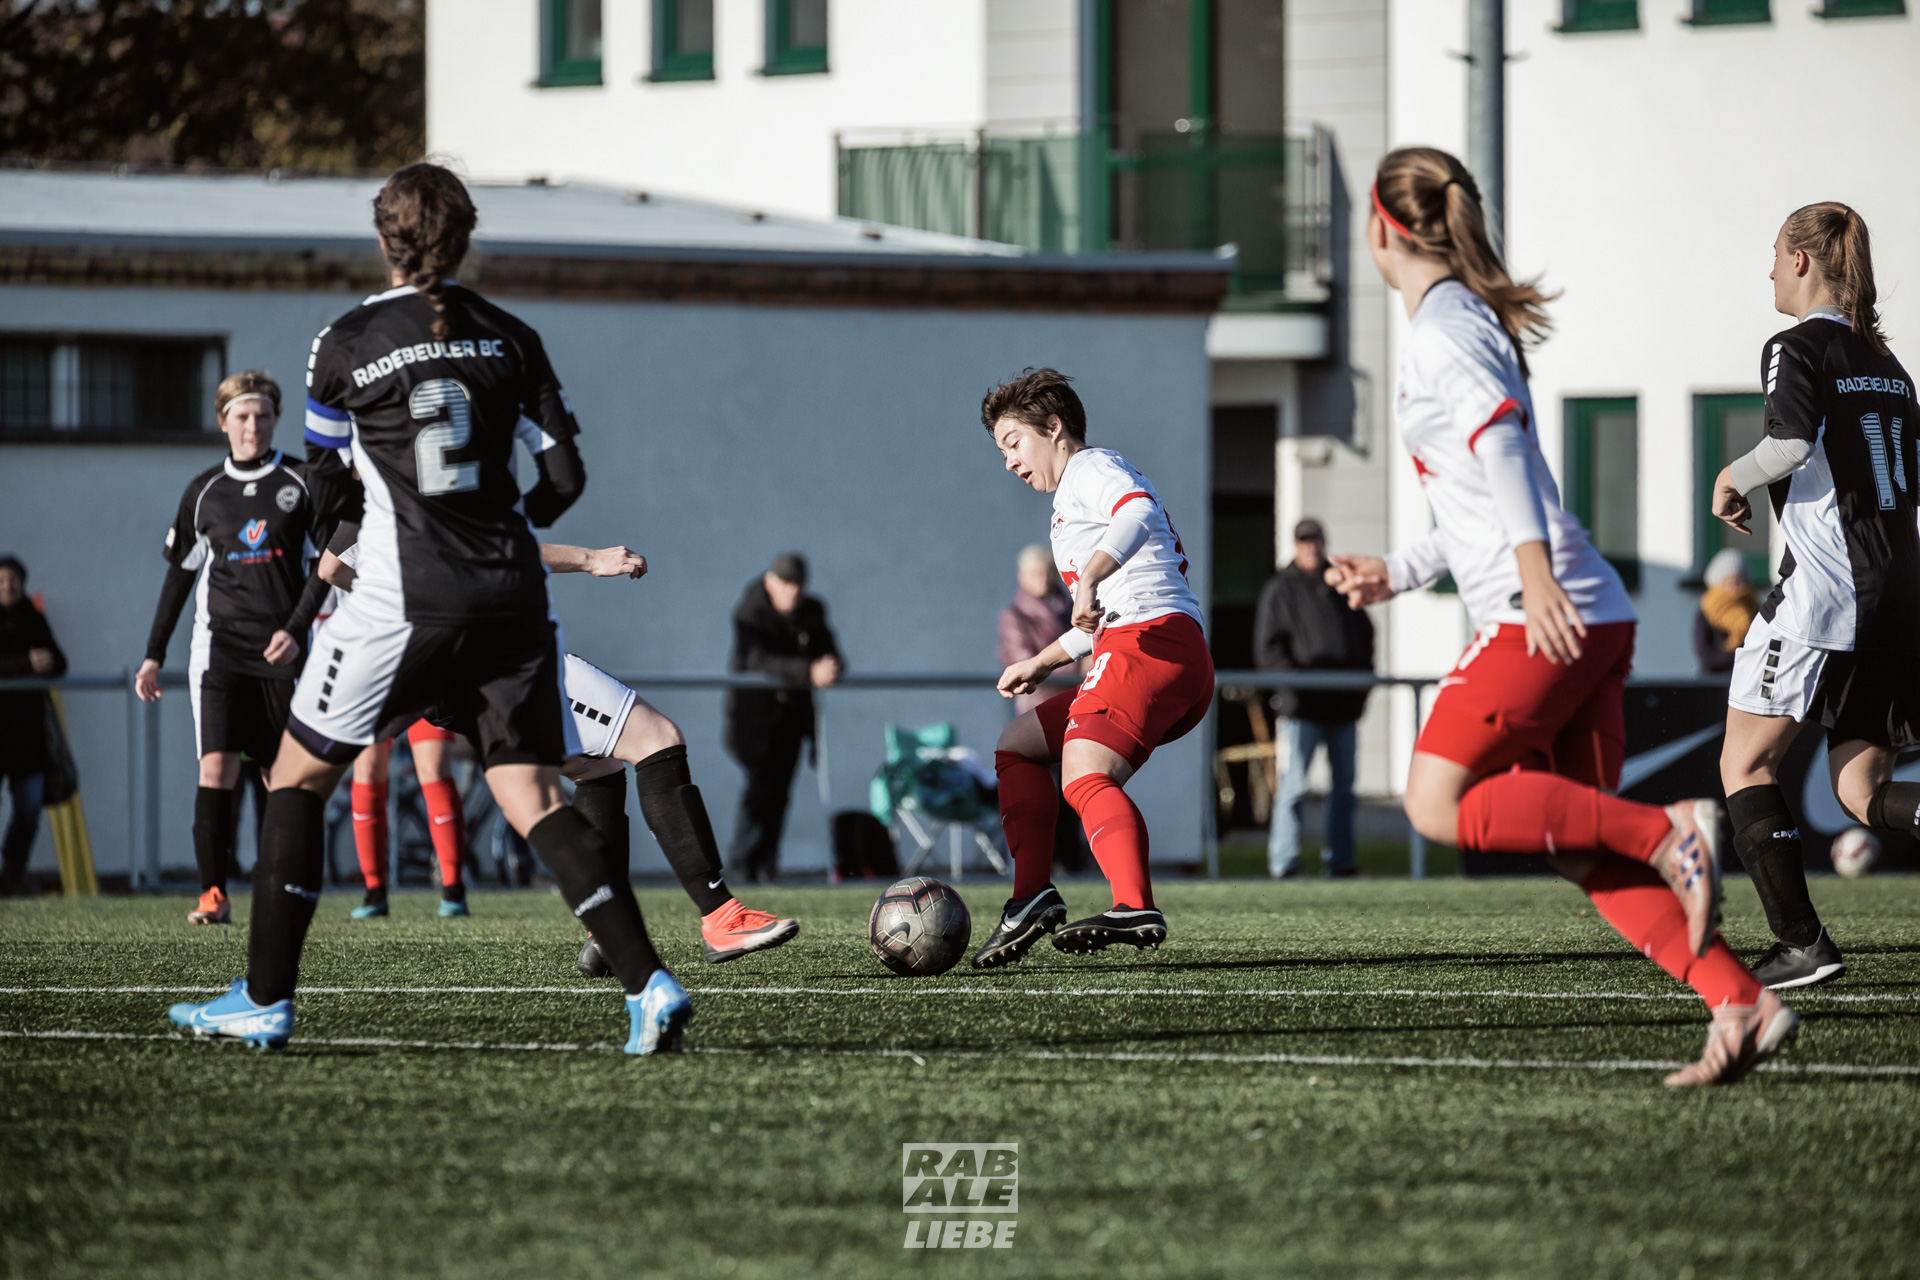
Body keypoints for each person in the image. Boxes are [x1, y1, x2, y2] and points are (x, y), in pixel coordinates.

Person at [166, 163, 692, 1056]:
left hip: (404, 595)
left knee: (296, 777)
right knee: (529, 791)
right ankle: (649, 985)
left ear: (383, 239)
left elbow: (325, 482)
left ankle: (263, 998)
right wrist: (502, 526)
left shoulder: (344, 342)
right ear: (466, 237)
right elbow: (564, 479)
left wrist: (369, 537)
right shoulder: (514, 336)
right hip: (514, 594)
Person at [1323, 147, 1797, 1086]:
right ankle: (1742, 1001)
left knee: (1433, 803)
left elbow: (1503, 447)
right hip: (1585, 611)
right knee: (1585, 851)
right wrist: (1399, 571)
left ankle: (1670, 831)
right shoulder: (1461, 318)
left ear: (1381, 227)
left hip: (1545, 611)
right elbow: (1478, 497)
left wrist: (1534, 575)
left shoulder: (1442, 327)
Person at [313, 527, 800, 965]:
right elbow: (494, 548)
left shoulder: (383, 482)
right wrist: (591, 559)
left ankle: (606, 933)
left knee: (595, 768)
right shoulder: (414, 473)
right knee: (657, 739)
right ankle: (720, 915)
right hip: (493, 661)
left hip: (464, 667)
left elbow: (336, 566)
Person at [1711, 202, 1920, 991]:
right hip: (1899, 596)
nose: (1768, 270)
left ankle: (1802, 944)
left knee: (1744, 762)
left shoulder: (1796, 345)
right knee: (1862, 792)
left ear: (1801, 261)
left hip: (1827, 596)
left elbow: (1792, 441)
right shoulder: (1887, 363)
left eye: (1774, 254)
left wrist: (1731, 476)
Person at [972, 367, 1215, 968]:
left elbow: (1138, 511)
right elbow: (1098, 617)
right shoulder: (1068, 504)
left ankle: (1133, 904)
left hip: (1149, 645)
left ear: (1053, 427)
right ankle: (1031, 895)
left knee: (1083, 775)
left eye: (1013, 443)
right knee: (1018, 745)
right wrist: (1042, 661)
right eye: (1001, 451)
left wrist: (1092, 578)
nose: (1009, 461)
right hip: (1156, 648)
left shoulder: (1090, 467)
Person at [137, 371, 315, 926]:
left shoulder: (301, 482)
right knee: (216, 767)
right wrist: (154, 653)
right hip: (219, 650)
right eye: (242, 416)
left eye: (262, 415)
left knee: (280, 775)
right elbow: (179, 577)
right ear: (222, 422)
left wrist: (298, 629)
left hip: (283, 653)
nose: (252, 426)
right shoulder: (203, 492)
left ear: (275, 420)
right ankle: (213, 894)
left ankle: (278, 890)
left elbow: (327, 568)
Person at [1255, 517, 1375, 879]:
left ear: (1323, 543)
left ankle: (1341, 862)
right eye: (1304, 542)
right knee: (1294, 788)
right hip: (1302, 710)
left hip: (1343, 707)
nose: (1311, 548)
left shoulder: (1339, 585)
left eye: (1315, 541)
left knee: (1344, 791)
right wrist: (1293, 688)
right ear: (1295, 545)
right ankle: (1284, 863)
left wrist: (1360, 687)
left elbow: (1365, 636)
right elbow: (1268, 649)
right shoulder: (1281, 589)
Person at [723, 553, 841, 881]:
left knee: (780, 793)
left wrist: (831, 666)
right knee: (760, 790)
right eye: (787, 583)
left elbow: (829, 650)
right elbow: (757, 660)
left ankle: (766, 868)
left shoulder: (812, 610)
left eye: (798, 584)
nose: (793, 591)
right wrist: (808, 670)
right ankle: (740, 867)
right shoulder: (750, 612)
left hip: (793, 720)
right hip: (753, 722)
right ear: (770, 581)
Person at [997, 543, 1091, 875]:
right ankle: (1043, 863)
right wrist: (1078, 665)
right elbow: (1023, 663)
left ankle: (1072, 859)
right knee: (1042, 788)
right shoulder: (1014, 617)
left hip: (1075, 706)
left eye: (1048, 571)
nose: (1044, 578)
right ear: (1022, 578)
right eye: (1036, 573)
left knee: (1074, 783)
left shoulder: (1070, 607)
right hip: (1037, 710)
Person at [341, 721, 468, 919]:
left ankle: (453, 889)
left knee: (434, 771)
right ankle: (374, 891)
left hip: (422, 700)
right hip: (378, 700)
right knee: (368, 772)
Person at [0, 556, 66, 896]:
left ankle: (11, 877)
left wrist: (48, 662)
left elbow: (60, 662)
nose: (7, 587)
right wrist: (24, 663)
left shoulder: (33, 618)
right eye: (1, 581)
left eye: (12, 581)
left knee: (28, 809)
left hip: (28, 735)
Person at [1693, 548, 1760, 676]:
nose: (1735, 588)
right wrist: (1740, 655)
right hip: (1713, 682)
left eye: (1739, 582)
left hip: (1747, 680)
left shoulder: (1756, 610)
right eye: (1730, 583)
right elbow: (1706, 656)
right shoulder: (1706, 612)